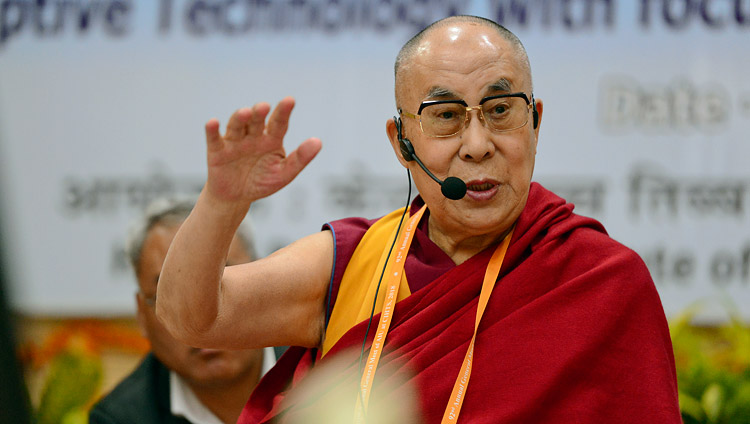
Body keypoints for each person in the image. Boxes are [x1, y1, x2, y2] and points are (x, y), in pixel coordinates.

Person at [156, 15, 682, 423]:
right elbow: (191, 319)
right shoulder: (358, 260)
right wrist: (222, 205)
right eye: (446, 117)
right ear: (401, 143)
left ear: (536, 122)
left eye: (501, 110)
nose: (477, 146)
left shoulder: (601, 281)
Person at [89, 199, 277, 424]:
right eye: (171, 296)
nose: (201, 317)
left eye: (219, 284)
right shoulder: (121, 419)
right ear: (142, 315)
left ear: (262, 283)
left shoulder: (320, 365)